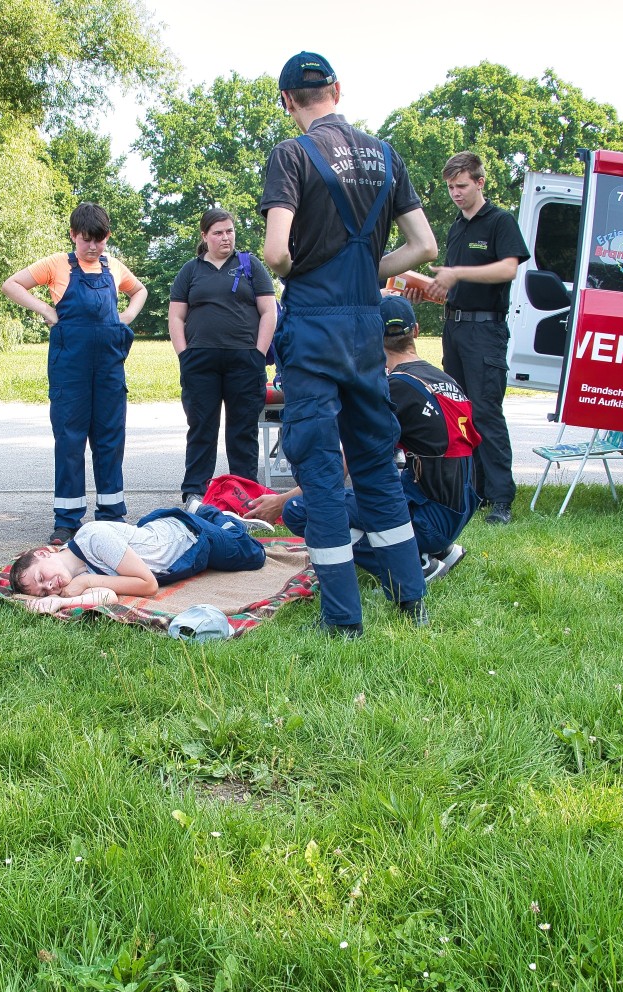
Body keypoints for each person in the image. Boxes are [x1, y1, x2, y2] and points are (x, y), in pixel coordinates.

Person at [260, 51, 438, 636]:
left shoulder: (291, 155)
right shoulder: (386, 155)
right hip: (365, 327)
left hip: (313, 326)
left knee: (317, 465)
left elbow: (277, 253)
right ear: (337, 90)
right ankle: (411, 599)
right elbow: (424, 247)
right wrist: (366, 271)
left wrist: (305, 271)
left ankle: (342, 618)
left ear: (288, 100)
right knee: (375, 463)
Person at [251, 295, 482, 582]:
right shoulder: (444, 379)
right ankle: (442, 550)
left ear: (370, 337)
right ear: (417, 331)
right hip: (459, 507)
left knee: (301, 511)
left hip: (431, 519)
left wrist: (282, 500)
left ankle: (416, 564)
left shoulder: (393, 389)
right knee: (370, 494)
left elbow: (343, 465)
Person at [2, 203, 148, 547]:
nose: (93, 247)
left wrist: (125, 316)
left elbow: (139, 290)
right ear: (73, 236)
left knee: (110, 438)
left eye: (99, 240)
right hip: (71, 367)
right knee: (69, 440)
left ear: (107, 237)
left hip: (110, 367)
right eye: (86, 240)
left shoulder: (113, 267)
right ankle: (67, 520)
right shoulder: (57, 264)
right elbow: (12, 285)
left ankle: (112, 515)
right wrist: (46, 310)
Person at [429, 151, 530, 525]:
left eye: (462, 186)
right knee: (459, 413)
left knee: (485, 413)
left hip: (485, 330)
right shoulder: (457, 226)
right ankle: (473, 490)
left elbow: (508, 269)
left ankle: (500, 499)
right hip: (454, 327)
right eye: (451, 187)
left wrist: (457, 274)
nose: (455, 193)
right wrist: (432, 288)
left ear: (480, 182)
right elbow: (454, 280)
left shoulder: (499, 221)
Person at [169, 208, 278, 507]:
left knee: (242, 430)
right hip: (200, 363)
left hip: (245, 360)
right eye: (218, 232)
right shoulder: (190, 271)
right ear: (205, 236)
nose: (225, 237)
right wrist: (185, 355)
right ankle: (195, 492)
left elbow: (269, 311)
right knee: (202, 427)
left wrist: (258, 353)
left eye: (229, 230)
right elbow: (176, 318)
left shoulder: (249, 265)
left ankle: (246, 496)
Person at [9, 504, 266, 611]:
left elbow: (148, 585)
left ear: (44, 552)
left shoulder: (92, 536)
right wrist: (60, 603)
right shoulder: (76, 577)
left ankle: (220, 518)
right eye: (43, 591)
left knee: (254, 555)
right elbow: (108, 596)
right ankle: (205, 512)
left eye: (41, 577)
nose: (49, 586)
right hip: (160, 539)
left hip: (191, 537)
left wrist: (87, 584)